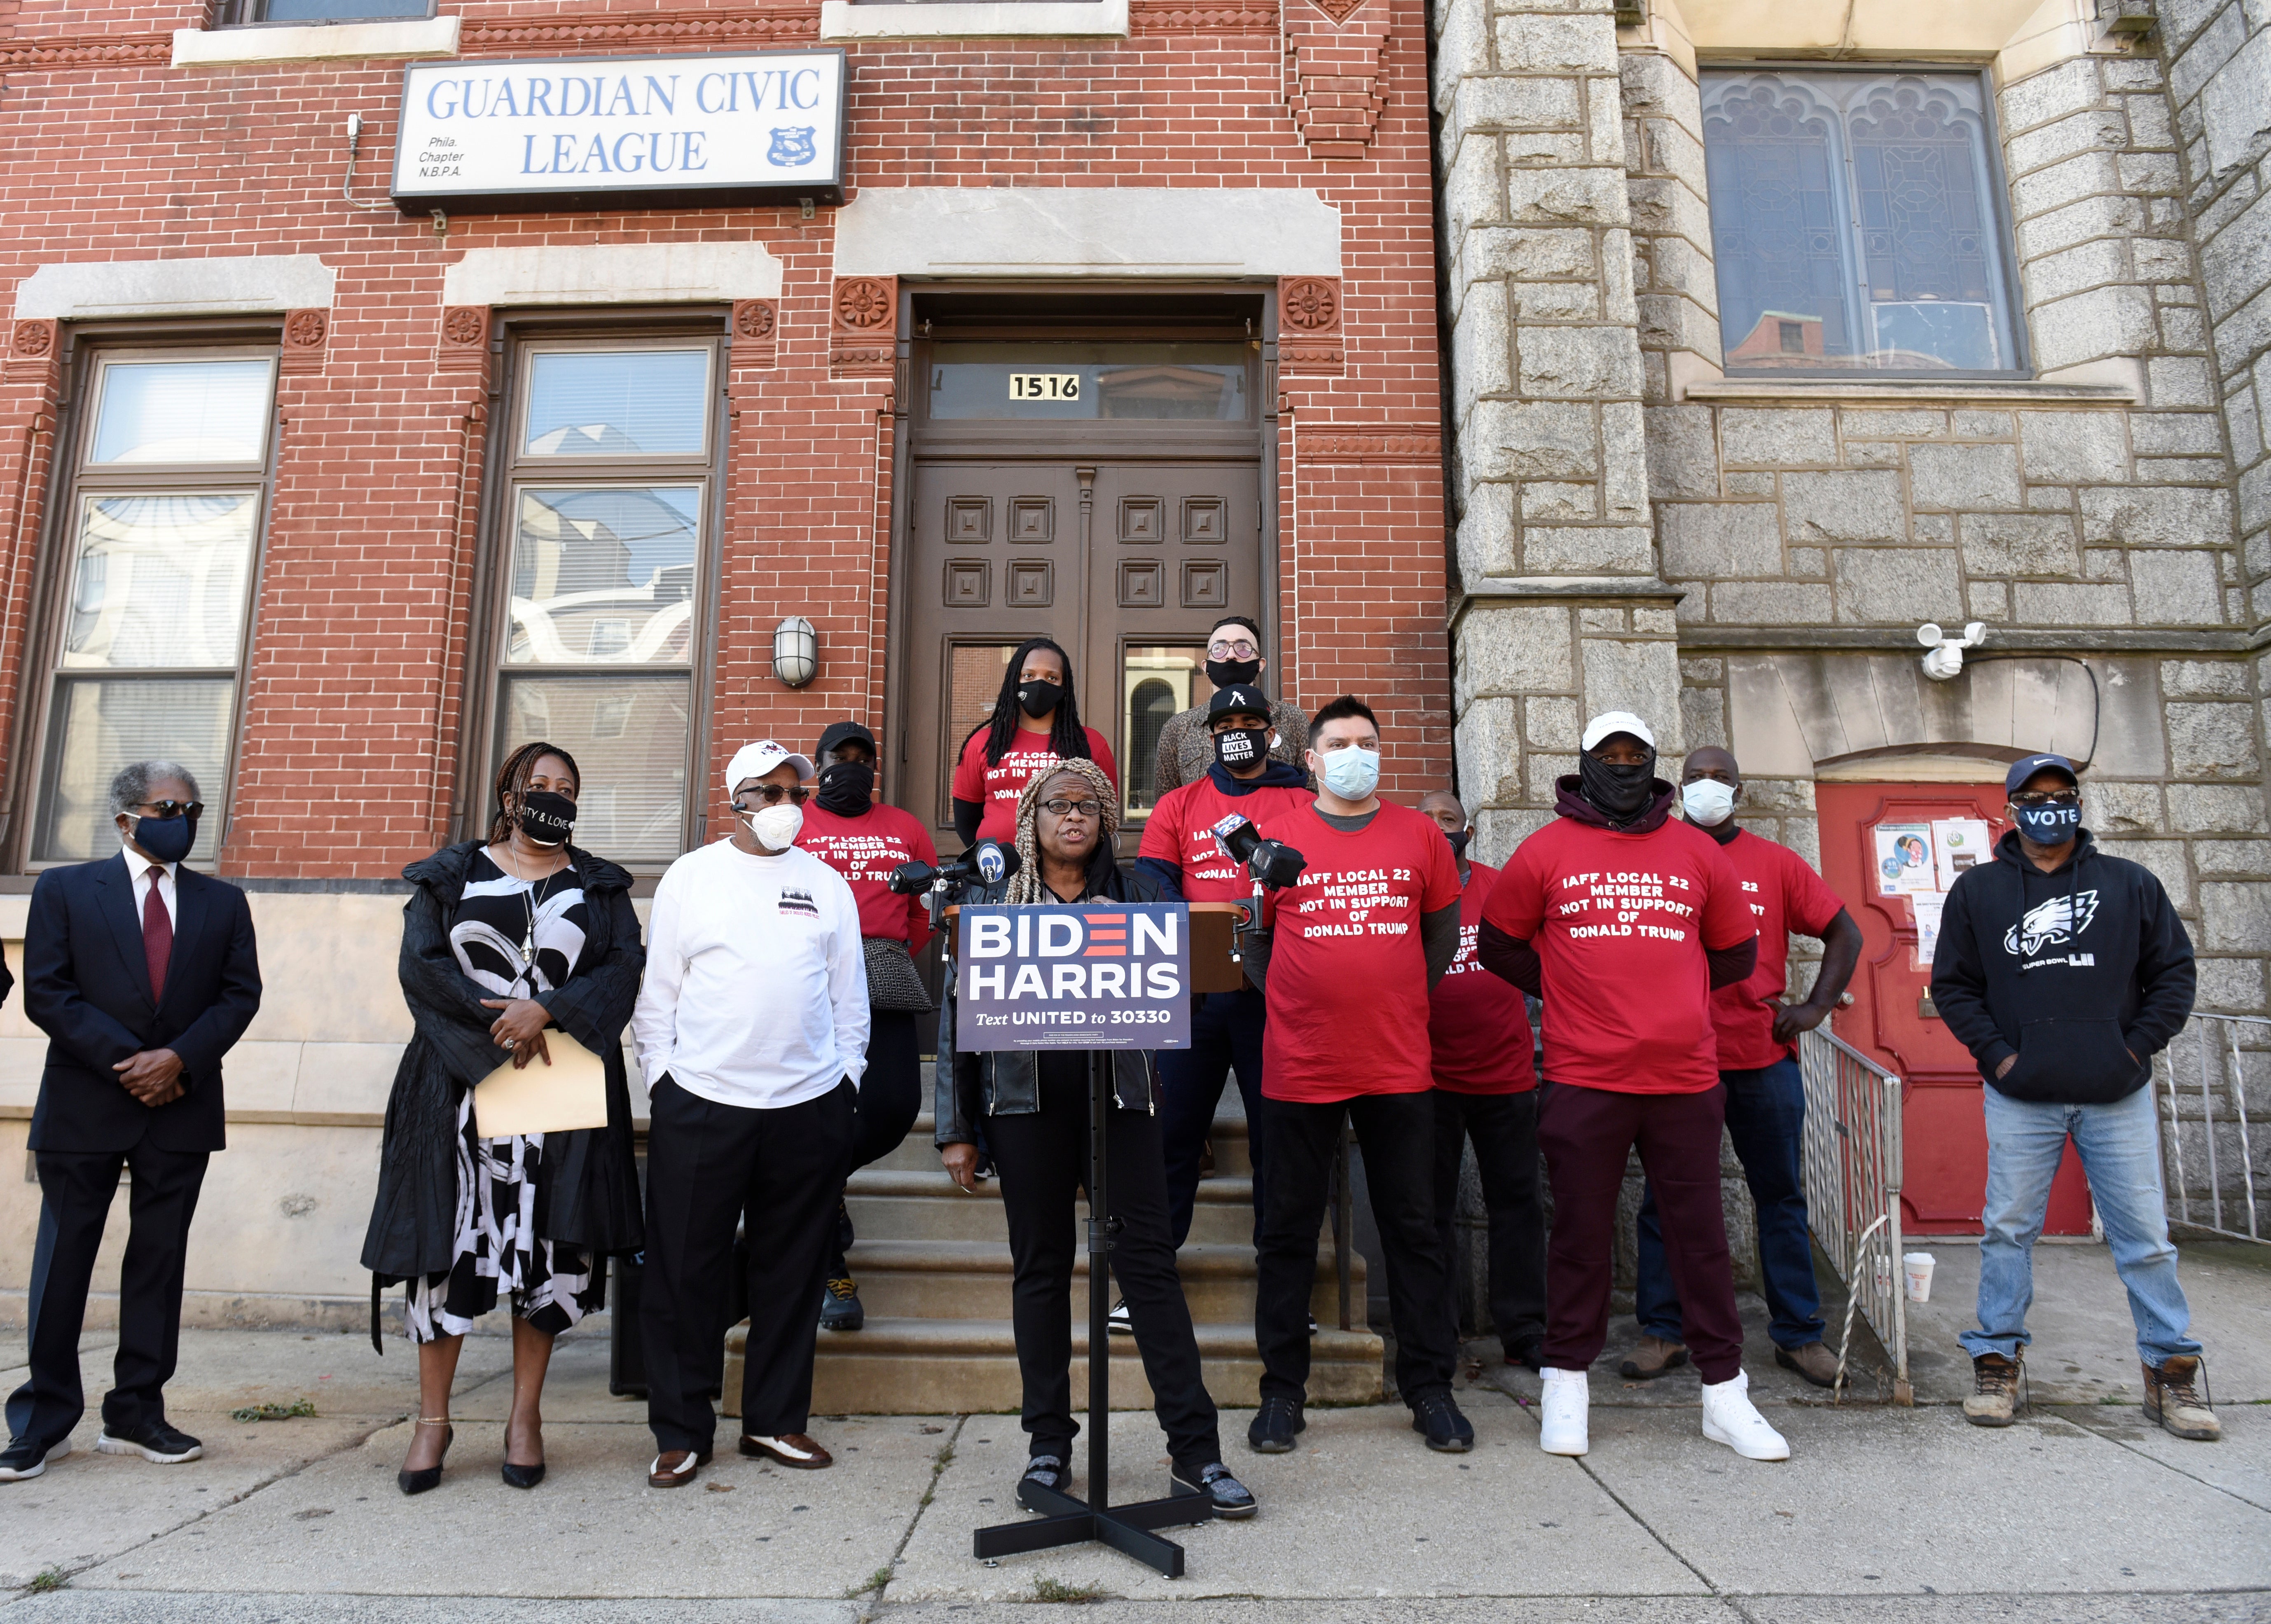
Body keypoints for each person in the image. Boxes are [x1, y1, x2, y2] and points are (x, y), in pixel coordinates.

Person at [935, 761, 1257, 1519]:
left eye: (1087, 805)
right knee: (1040, 1270)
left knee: (1148, 1267)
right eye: (1057, 805)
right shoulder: (992, 900)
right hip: (1024, 1107)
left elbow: (1195, 979)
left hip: (1123, 1102)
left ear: (1106, 819)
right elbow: (957, 1021)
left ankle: (1196, 1452)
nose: (1072, 817)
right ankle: (1048, 1443)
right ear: (1030, 819)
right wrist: (956, 1129)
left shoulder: (1143, 894)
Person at [1478, 712, 1788, 1463]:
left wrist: (1672, 1002)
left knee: (1700, 1237)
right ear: (1584, 763)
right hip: (1586, 1077)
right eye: (1607, 757)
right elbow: (1497, 943)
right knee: (1580, 1238)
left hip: (1684, 1078)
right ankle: (1565, 1380)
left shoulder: (1693, 850)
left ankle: (1724, 1391)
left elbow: (1734, 955)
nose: (1622, 768)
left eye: (1635, 757)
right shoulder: (1546, 849)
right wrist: (1565, 988)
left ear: (1654, 765)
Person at [363, 742, 647, 1494]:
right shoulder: (448, 875)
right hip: (456, 1085)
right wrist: (499, 1038)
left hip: (561, 1084)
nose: (551, 796)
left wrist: (547, 1009)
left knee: (545, 1250)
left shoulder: (600, 885)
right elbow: (421, 969)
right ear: (508, 791)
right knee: (445, 1249)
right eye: (538, 785)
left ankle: (526, 1416)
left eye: (566, 787)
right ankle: (433, 1420)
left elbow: (622, 969)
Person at [1931, 753, 2210, 1439]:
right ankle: (1996, 1359)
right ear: (2010, 808)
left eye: (2060, 794)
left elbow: (2173, 973)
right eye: (2032, 796)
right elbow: (1954, 986)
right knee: (2006, 1230)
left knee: (2143, 1238)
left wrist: (2133, 1048)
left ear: (2078, 803)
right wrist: (1999, 1057)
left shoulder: (2129, 885)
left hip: (2116, 1093)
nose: (2047, 806)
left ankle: (2169, 1372)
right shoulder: (1978, 893)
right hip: (2022, 1096)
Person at [3, 762, 260, 1483]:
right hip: (86, 1101)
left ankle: (138, 1409)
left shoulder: (224, 902)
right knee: (63, 1263)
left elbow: (241, 997)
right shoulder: (63, 890)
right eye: (167, 806)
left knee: (159, 1261)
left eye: (192, 808)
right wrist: (135, 1062)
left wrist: (176, 1059)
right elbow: (47, 993)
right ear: (125, 818)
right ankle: (43, 1419)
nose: (181, 818)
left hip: (182, 1104)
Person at [1242, 696, 1474, 1456]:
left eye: (1365, 742)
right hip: (1299, 1064)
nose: (1353, 753)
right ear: (1309, 758)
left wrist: (1394, 994)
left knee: (1414, 1227)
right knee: (1285, 1232)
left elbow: (1438, 933)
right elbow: (1254, 944)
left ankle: (1429, 1388)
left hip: (1397, 1062)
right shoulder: (1276, 837)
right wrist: (1303, 999)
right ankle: (1281, 1393)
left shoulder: (1417, 835)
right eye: (1337, 742)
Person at [633, 740, 868, 1486]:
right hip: (702, 1101)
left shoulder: (825, 882)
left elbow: (848, 998)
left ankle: (773, 1420)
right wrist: (663, 1080)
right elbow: (657, 994)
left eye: (794, 790)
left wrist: (847, 1080)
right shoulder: (690, 877)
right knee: (683, 1270)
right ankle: (680, 1430)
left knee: (792, 1270)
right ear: (734, 797)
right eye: (768, 791)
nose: (784, 804)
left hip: (806, 1105)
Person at [1623, 746, 1863, 1389]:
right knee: (1664, 1199)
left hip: (1761, 1060)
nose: (1707, 787)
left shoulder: (1775, 863)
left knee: (1780, 1196)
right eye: (1695, 778)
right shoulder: (1657, 853)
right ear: (1676, 790)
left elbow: (1845, 931)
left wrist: (1815, 1006)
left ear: (1739, 788)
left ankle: (1798, 1334)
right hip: (1678, 1059)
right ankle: (1663, 1330)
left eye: (1719, 778)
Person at [1132, 683, 1312, 1295]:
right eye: (1226, 720)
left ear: (1271, 730)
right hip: (1194, 992)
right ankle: (1148, 1283)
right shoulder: (1179, 803)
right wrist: (1199, 922)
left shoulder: (1303, 799)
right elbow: (1154, 876)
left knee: (1278, 1144)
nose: (1238, 728)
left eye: (1251, 719)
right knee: (1170, 1137)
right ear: (1209, 735)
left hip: (1275, 992)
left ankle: (1284, 1291)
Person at [796, 720, 940, 1331]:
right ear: (818, 764)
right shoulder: (793, 823)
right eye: (840, 756)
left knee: (894, 1105)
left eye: (863, 758)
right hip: (803, 978)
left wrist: (879, 953)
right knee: (811, 1114)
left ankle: (816, 1183)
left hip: (880, 971)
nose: (851, 766)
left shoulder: (904, 827)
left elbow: (924, 909)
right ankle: (831, 1269)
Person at [1417, 790, 1546, 1373]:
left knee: (1517, 1206)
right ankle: (1439, 1333)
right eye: (1427, 820)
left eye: (1449, 819)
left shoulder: (1501, 887)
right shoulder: (1404, 895)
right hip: (1429, 1078)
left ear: (1467, 831)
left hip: (1507, 1075)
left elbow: (1542, 964)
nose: (1440, 828)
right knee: (1431, 1210)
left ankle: (1524, 1329)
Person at [951, 637, 1118, 846]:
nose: (1040, 685)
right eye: (1029, 676)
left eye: (1052, 678)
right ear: (1015, 681)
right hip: (997, 871)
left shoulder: (1091, 743)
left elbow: (1106, 813)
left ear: (1064, 687)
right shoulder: (984, 743)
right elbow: (966, 821)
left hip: (1071, 874)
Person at [1151, 615, 1309, 796]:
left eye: (1243, 648)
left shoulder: (1292, 718)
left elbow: (1312, 792)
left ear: (1260, 664)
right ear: (1206, 666)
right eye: (1219, 649)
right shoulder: (1179, 727)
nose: (1231, 655)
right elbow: (1168, 801)